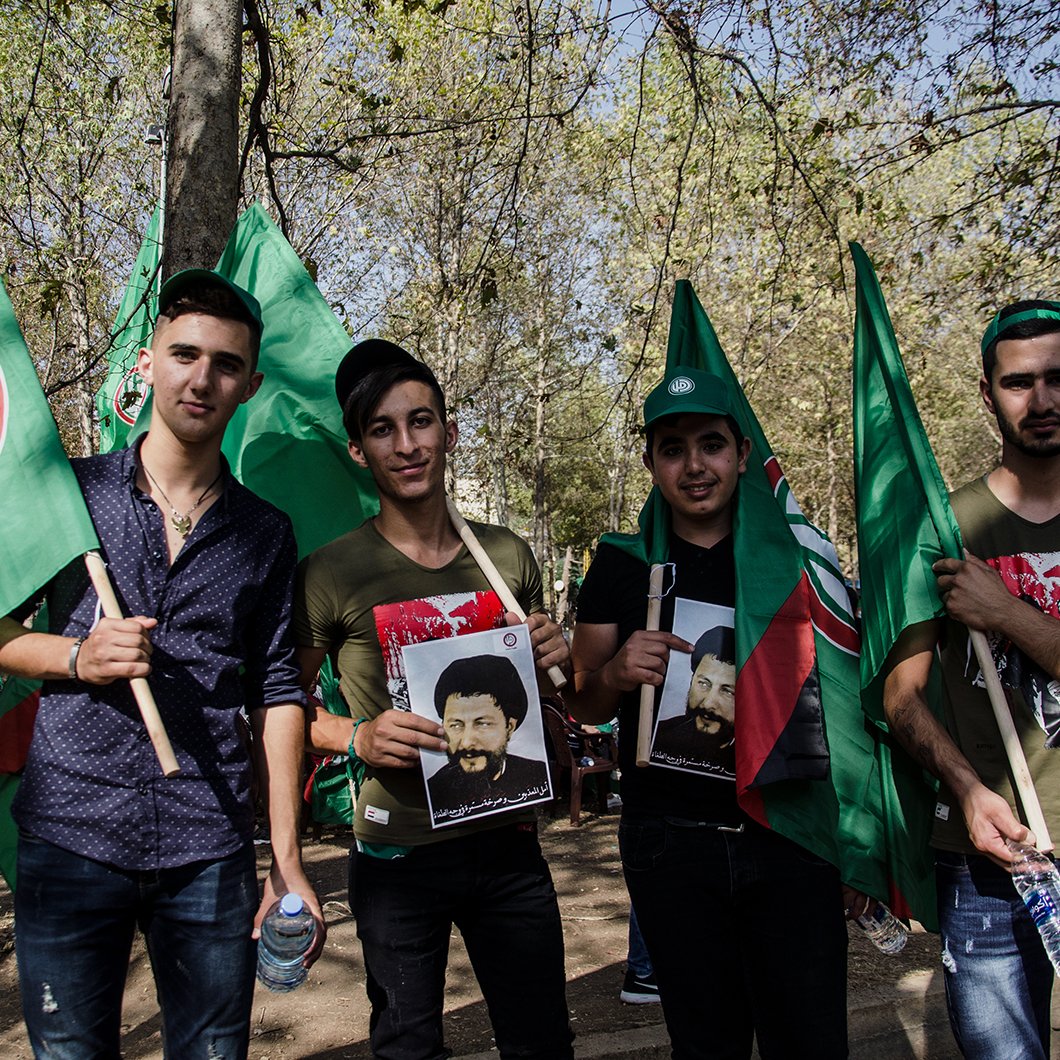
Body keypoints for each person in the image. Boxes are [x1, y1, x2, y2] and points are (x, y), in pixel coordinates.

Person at [0, 270, 323, 1058]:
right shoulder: (70, 496)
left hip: (208, 842)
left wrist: (286, 858)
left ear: (249, 386)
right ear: (148, 363)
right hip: (70, 829)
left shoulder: (266, 532)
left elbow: (278, 692)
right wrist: (77, 656)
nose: (201, 378)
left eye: (225, 364)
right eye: (184, 354)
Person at [294, 338, 574, 1060]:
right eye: (382, 429)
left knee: (542, 1041)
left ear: (448, 432)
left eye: (420, 421)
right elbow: (280, 710)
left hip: (508, 845)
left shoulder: (506, 556)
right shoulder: (329, 572)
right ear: (358, 451)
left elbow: (547, 701)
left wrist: (556, 658)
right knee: (407, 1047)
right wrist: (353, 737)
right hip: (397, 854)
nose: (406, 444)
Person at [565, 366, 855, 1059]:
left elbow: (844, 704)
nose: (694, 466)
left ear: (742, 453)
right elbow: (580, 698)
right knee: (705, 1043)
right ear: (650, 463)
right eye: (673, 449)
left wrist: (856, 841)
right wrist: (615, 672)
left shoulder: (796, 559)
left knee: (810, 1040)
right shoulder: (622, 563)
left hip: (790, 835)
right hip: (671, 844)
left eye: (711, 444)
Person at [883, 299, 1060, 1060]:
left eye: (1057, 378)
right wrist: (966, 789)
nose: (1042, 400)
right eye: (1019, 382)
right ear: (988, 394)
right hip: (986, 855)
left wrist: (1007, 613)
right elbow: (900, 697)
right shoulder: (941, 527)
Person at [427, 654, 551, 820]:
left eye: (482, 724)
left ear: (509, 727)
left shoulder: (537, 775)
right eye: (456, 725)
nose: (467, 742)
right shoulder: (434, 791)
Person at [652, 625, 736, 773]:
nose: (708, 704)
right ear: (691, 680)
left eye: (727, 691)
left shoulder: (760, 758)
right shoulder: (659, 735)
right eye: (703, 684)